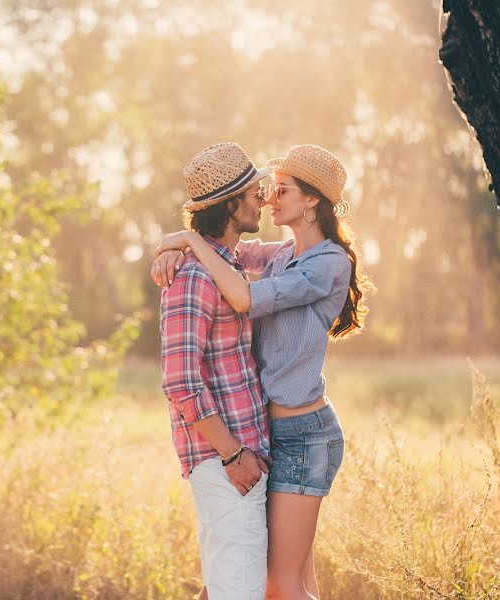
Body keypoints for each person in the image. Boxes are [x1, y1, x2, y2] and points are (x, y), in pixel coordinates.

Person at [153, 144, 370, 600]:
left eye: (281, 189)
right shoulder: (280, 255)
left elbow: (244, 296)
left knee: (281, 586)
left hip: (303, 433)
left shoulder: (328, 262)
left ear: (312, 200)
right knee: (284, 584)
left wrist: (188, 242)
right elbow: (228, 255)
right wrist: (169, 250)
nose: (269, 198)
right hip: (271, 434)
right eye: (262, 191)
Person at [159, 142, 273, 600]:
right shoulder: (193, 277)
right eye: (254, 194)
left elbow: (298, 251)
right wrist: (232, 455)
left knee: (227, 591)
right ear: (231, 205)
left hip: (236, 462)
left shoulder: (224, 264)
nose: (262, 201)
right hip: (224, 463)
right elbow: (180, 382)